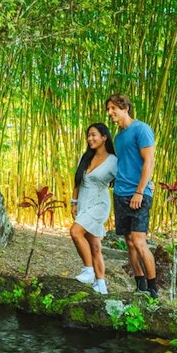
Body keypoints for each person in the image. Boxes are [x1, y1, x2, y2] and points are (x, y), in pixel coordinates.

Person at [105, 94, 159, 297]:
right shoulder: (118, 137)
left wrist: (140, 191)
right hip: (120, 193)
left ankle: (153, 289)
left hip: (138, 194)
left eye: (113, 108)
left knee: (139, 240)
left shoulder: (141, 129)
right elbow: (124, 163)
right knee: (128, 241)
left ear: (125, 108)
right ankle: (140, 284)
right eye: (108, 109)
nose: (110, 113)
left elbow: (149, 162)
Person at [71, 123, 117, 295]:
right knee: (95, 245)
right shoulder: (85, 157)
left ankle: (88, 270)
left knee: (75, 232)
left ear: (104, 137)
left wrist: (143, 189)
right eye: (88, 135)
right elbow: (77, 182)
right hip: (84, 202)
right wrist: (73, 202)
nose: (90, 138)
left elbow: (125, 177)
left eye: (93, 135)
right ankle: (101, 284)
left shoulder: (113, 161)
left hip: (99, 203)